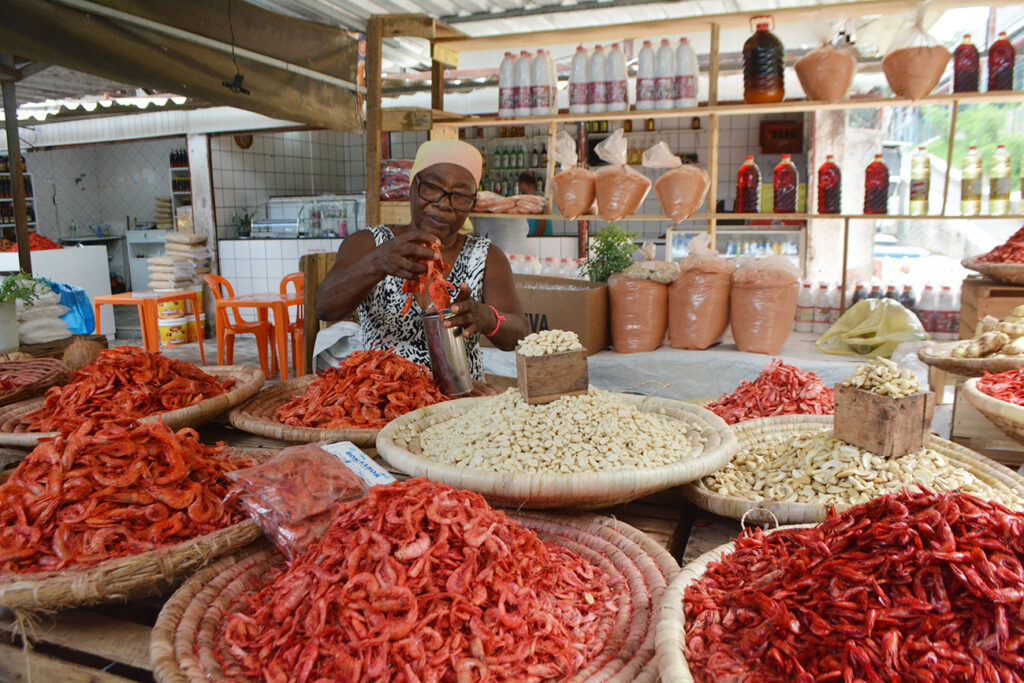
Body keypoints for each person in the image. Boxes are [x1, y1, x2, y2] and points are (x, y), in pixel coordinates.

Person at [316, 139, 529, 380]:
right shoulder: (369, 244)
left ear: (472, 202)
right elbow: (325, 307)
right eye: (432, 187)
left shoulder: (486, 256)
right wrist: (376, 263)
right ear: (412, 185)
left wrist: (488, 318)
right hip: (383, 399)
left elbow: (519, 333)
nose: (443, 203)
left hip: (461, 404)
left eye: (459, 196)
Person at [518, 171, 549, 237]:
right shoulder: (533, 197)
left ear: (523, 184)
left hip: (541, 240)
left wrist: (536, 238)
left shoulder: (538, 198)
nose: (519, 188)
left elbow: (542, 222)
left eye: (519, 185)